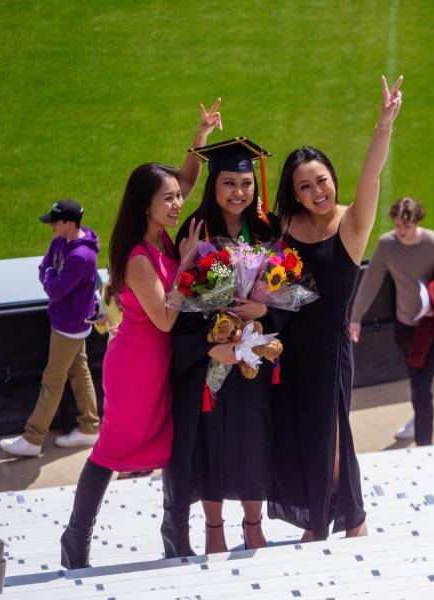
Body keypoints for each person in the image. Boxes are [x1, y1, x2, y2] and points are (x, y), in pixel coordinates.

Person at [59, 99, 221, 569]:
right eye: (168, 199)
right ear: (146, 205)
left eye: (176, 197)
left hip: (160, 364)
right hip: (136, 368)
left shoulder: (160, 231)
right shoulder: (137, 257)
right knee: (109, 451)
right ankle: (76, 541)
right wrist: (188, 264)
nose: (178, 203)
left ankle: (176, 538)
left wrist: (201, 137)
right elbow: (166, 319)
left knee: (173, 445)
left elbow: (188, 181)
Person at [268, 76, 403, 542]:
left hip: (329, 349)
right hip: (287, 347)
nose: (316, 191)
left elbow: (372, 178)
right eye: (304, 186)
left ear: (332, 179)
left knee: (332, 433)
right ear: (296, 193)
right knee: (302, 432)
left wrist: (383, 125)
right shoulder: (286, 223)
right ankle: (322, 518)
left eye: (321, 180)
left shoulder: (352, 224)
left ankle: (348, 520)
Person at [163, 137, 282, 557]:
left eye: (246, 183)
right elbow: (178, 299)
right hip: (210, 361)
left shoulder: (268, 229)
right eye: (229, 183)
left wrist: (262, 311)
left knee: (255, 437)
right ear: (214, 185)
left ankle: (253, 524)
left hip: (253, 356)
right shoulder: (196, 230)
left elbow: (286, 292)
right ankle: (214, 528)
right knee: (210, 441)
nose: (239, 193)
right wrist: (207, 346)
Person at [350, 197, 434, 446]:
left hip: (431, 327)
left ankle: (425, 444)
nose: (401, 231)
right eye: (397, 225)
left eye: (406, 226)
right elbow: (370, 282)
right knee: (416, 380)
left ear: (417, 221)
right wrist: (355, 319)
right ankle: (420, 416)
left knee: (422, 385)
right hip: (403, 325)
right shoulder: (387, 245)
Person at [0, 199, 101, 457]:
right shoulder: (60, 241)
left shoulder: (81, 256)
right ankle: (89, 428)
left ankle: (33, 438)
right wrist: (51, 275)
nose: (51, 226)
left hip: (70, 325)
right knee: (80, 372)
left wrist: (50, 276)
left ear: (69, 223)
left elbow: (54, 289)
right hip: (67, 320)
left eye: (55, 222)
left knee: (52, 380)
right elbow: (44, 266)